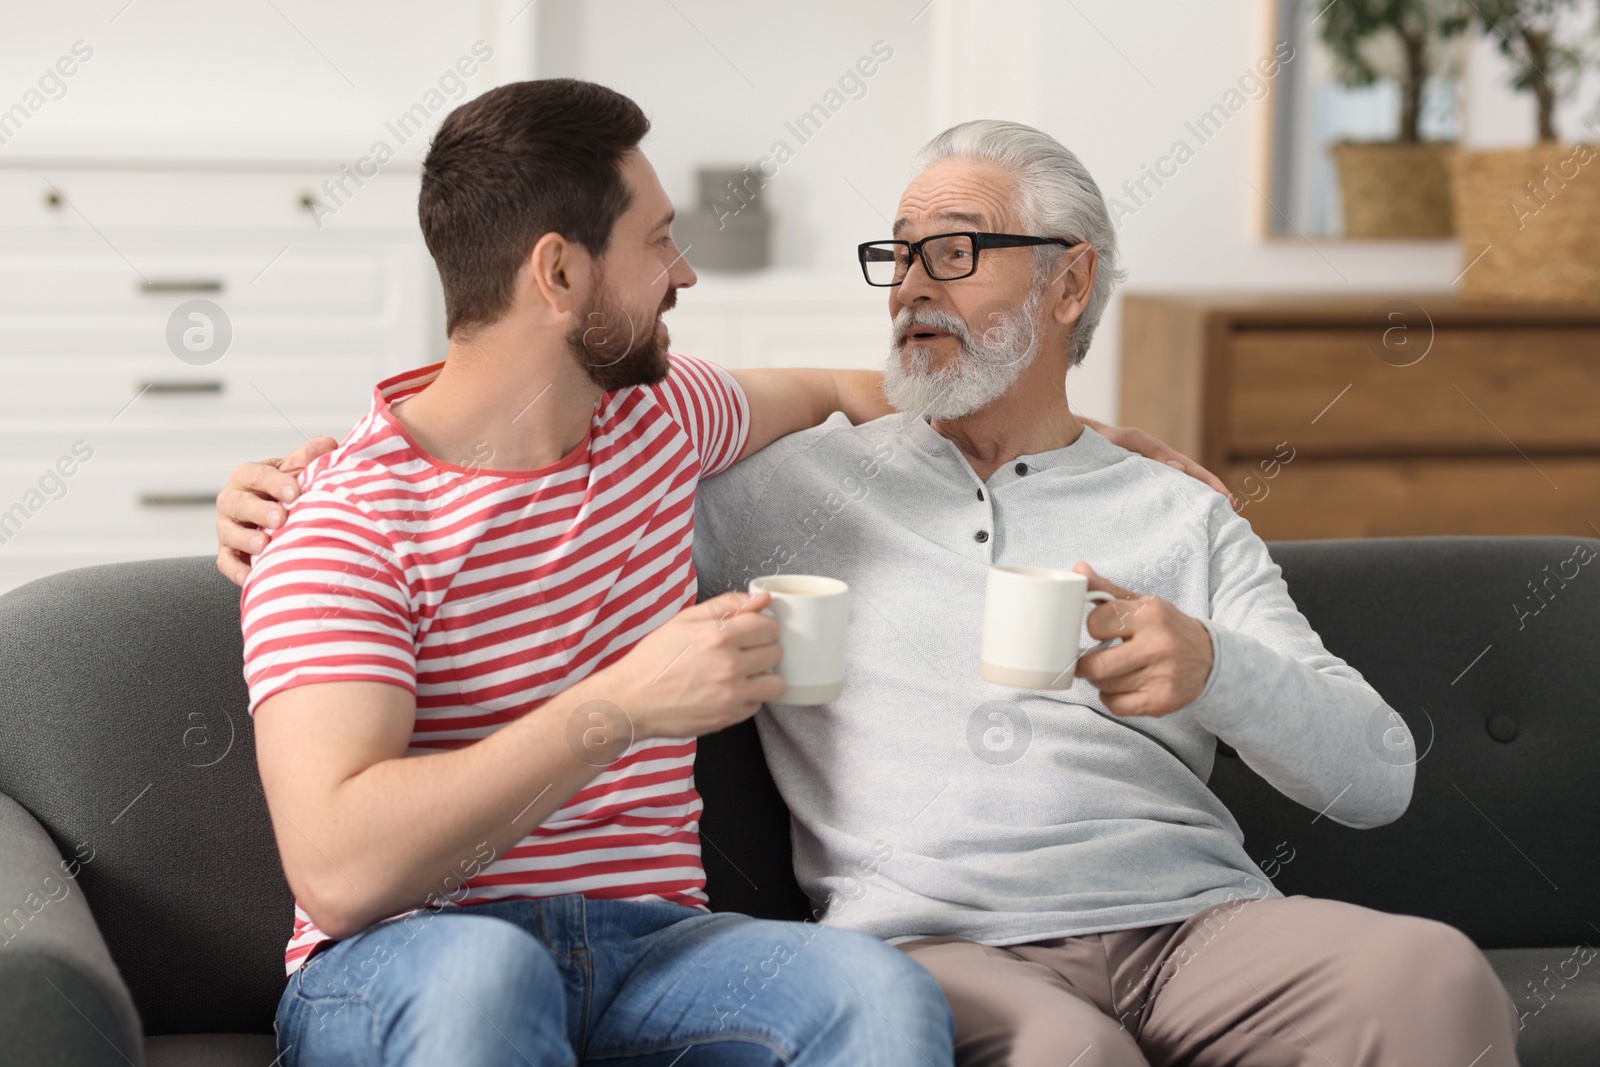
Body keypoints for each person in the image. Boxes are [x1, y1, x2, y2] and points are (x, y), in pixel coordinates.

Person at [683, 120, 1522, 1066]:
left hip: (1196, 924)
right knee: (1071, 1054)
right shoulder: (787, 492)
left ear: (1070, 283)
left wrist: (1215, 669)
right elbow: (600, 447)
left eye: (954, 251)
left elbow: (1379, 776)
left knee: (1430, 974)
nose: (913, 283)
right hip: (936, 942)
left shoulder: (1180, 511)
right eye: (900, 254)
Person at [234, 78, 957, 1066]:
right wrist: (618, 705)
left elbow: (839, 388)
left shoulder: (662, 418)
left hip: (657, 945)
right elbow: (342, 870)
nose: (685, 273)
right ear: (560, 274)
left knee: (873, 991)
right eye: (658, 241)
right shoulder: (343, 521)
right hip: (408, 953)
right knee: (490, 976)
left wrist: (1098, 444)